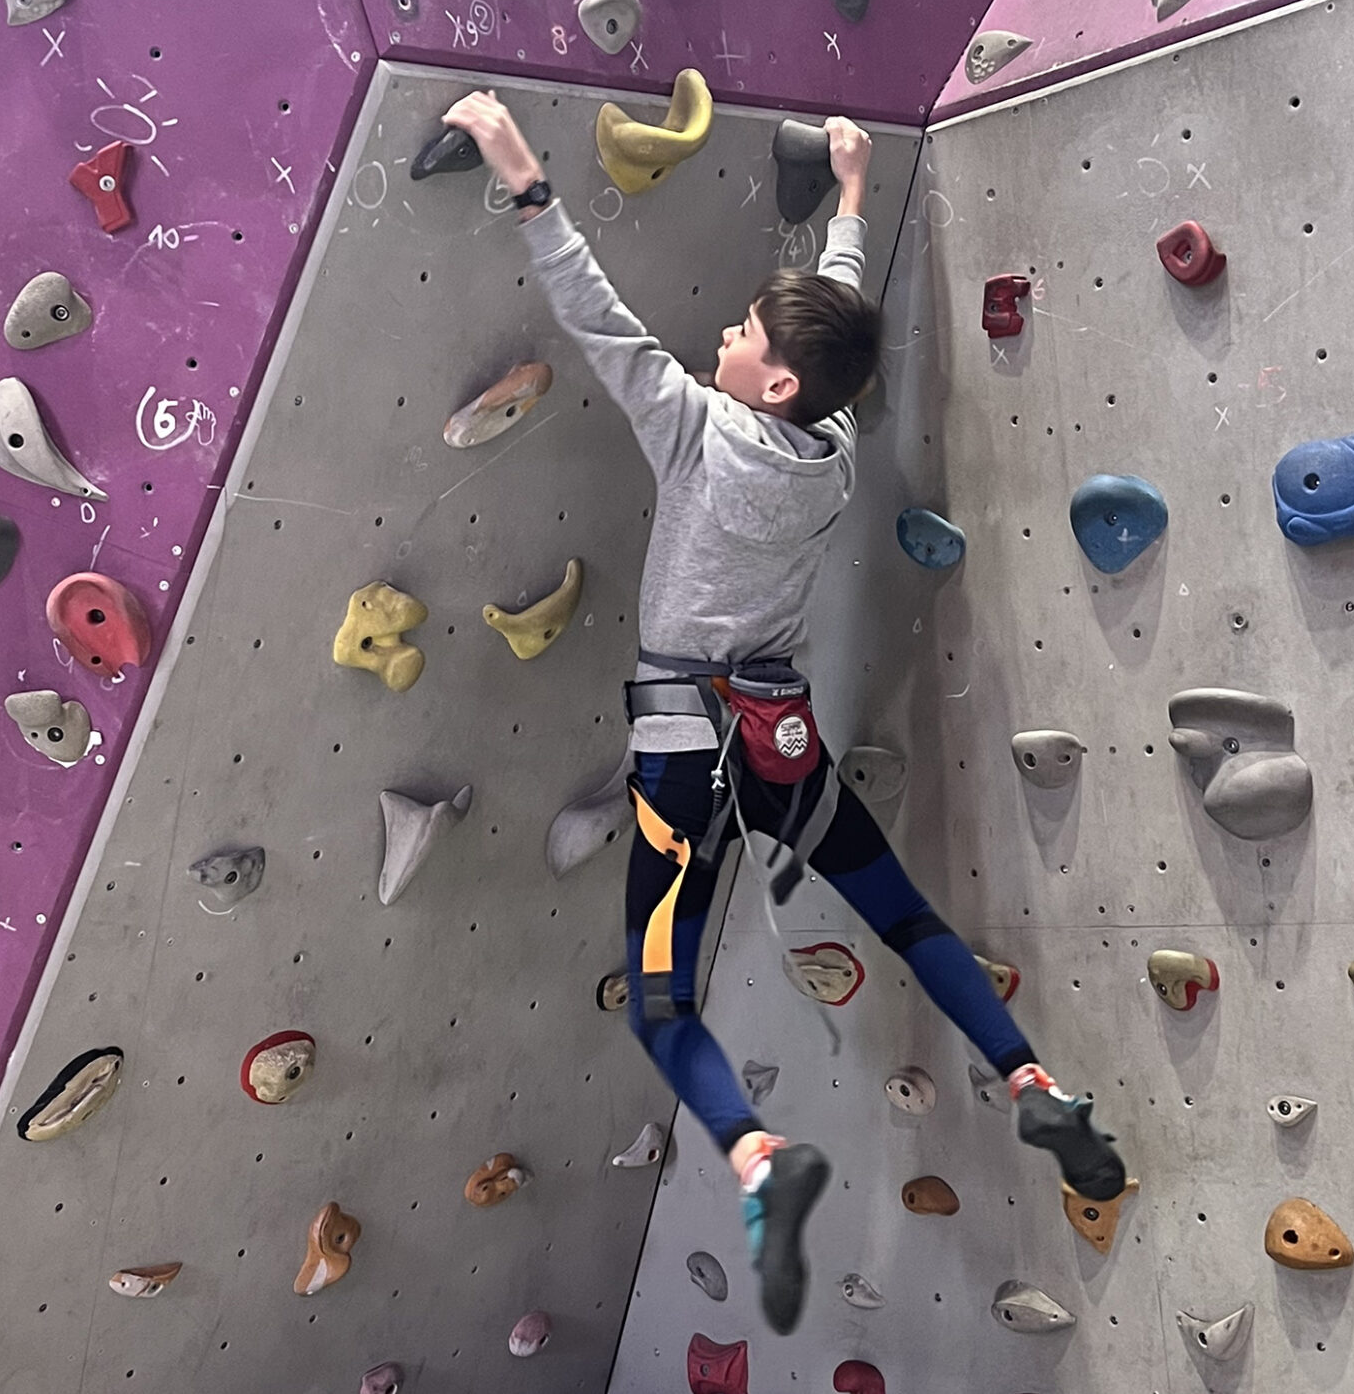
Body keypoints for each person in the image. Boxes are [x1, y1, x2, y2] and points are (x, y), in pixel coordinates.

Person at [441, 90, 1127, 1336]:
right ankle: (1032, 1079)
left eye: (745, 331)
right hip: (779, 740)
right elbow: (836, 324)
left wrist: (522, 171)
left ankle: (760, 1161)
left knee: (661, 1002)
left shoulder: (695, 432)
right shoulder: (830, 448)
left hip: (684, 758)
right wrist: (853, 198)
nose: (725, 330)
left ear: (776, 379)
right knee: (904, 917)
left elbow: (595, 311)